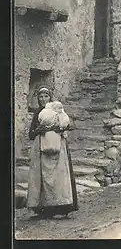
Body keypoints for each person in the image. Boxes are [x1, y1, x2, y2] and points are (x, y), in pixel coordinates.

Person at [27, 87, 78, 219]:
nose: (43, 99)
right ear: (37, 99)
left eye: (46, 97)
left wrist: (58, 128)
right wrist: (40, 129)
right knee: (42, 178)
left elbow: (68, 125)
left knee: (58, 178)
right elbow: (31, 134)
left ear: (50, 98)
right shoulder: (38, 113)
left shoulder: (57, 110)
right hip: (41, 149)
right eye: (41, 97)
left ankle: (61, 207)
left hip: (58, 149)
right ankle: (43, 209)